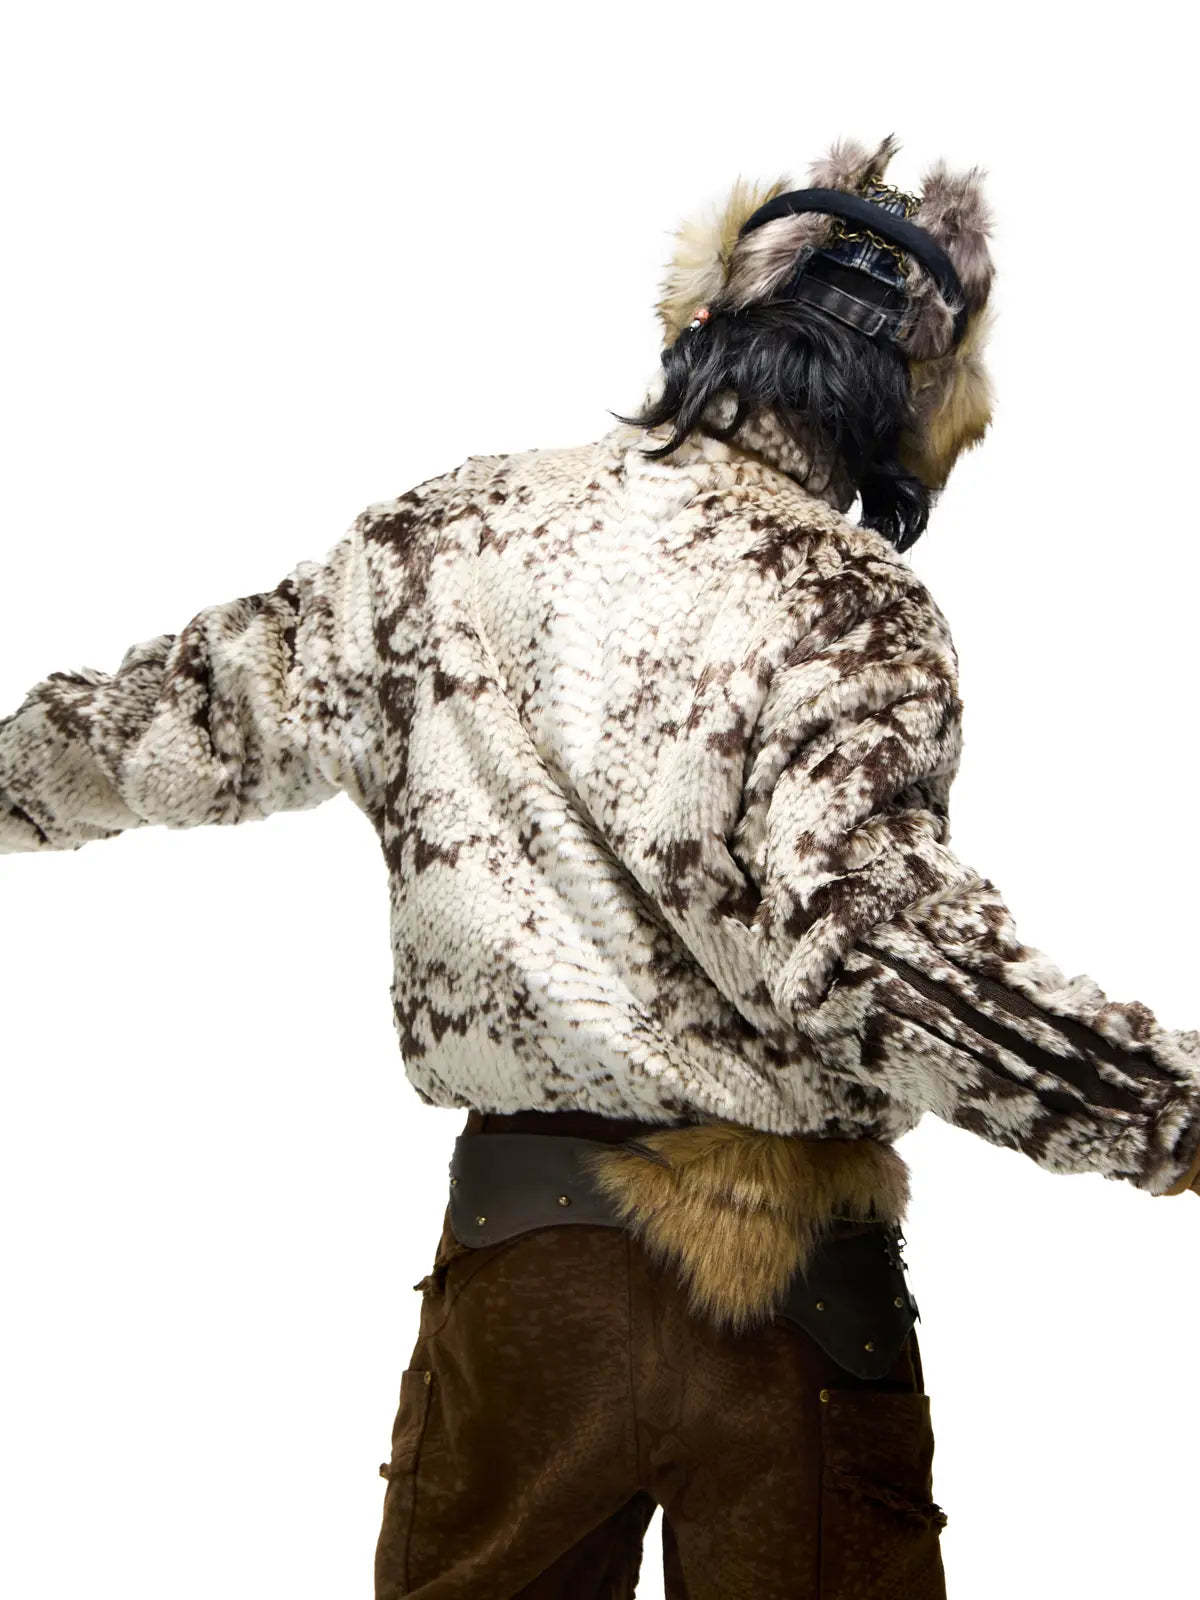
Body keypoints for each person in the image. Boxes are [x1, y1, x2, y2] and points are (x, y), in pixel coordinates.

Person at [2, 133, 1197, 1599]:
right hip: (793, 1311)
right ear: (918, 397)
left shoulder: (451, 537)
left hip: (523, 1272)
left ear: (705, 321)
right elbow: (877, 954)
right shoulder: (852, 603)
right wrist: (1166, 1109)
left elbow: (172, 721)